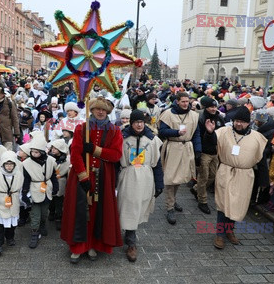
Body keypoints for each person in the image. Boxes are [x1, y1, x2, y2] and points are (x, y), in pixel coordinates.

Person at [61, 96, 123, 264]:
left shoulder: (115, 131)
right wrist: (83, 176)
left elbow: (116, 155)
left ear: (108, 111)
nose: (100, 112)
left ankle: (93, 244)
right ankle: (78, 247)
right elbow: (75, 153)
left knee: (97, 211)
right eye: (97, 109)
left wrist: (96, 150)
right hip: (82, 176)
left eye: (103, 109)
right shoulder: (82, 128)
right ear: (92, 110)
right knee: (80, 211)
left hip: (103, 176)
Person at [212, 106, 267, 249]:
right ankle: (220, 234)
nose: (238, 124)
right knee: (224, 204)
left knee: (237, 204)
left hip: (244, 175)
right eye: (236, 120)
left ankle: (230, 230)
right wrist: (208, 132)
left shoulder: (257, 137)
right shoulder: (223, 132)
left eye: (242, 121)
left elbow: (261, 160)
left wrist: (264, 180)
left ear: (248, 123)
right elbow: (210, 144)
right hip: (226, 171)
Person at [117, 110, 163, 262]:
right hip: (128, 175)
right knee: (127, 207)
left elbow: (157, 164)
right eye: (136, 122)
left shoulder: (152, 140)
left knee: (137, 209)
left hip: (145, 177)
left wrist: (159, 183)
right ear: (131, 123)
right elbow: (115, 161)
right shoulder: (122, 138)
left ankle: (131, 239)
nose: (139, 125)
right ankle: (129, 240)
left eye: (141, 122)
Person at [158, 92, 201, 225]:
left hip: (187, 148)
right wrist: (176, 132)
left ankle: (173, 200)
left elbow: (196, 134)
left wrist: (198, 149)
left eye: (187, 101)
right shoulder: (168, 114)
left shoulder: (193, 115)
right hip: (173, 147)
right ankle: (170, 207)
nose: (185, 104)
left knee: (180, 178)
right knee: (170, 178)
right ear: (177, 101)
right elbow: (162, 131)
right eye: (183, 101)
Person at [0, 151, 24, 256]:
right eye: (7, 164)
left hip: (14, 202)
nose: (9, 166)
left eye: (11, 164)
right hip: (1, 203)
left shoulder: (19, 175)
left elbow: (20, 189)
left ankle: (10, 238)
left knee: (12, 224)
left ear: (15, 164)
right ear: (3, 164)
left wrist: (22, 200)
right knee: (0, 226)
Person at [20, 136, 58, 249]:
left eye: (36, 152)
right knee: (35, 213)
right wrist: (24, 192)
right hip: (34, 188)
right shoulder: (26, 163)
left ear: (41, 152)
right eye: (32, 151)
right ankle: (34, 233)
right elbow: (26, 179)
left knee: (44, 212)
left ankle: (42, 225)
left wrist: (55, 187)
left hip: (47, 188)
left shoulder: (50, 161)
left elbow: (53, 176)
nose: (33, 153)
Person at [191, 96, 224, 214]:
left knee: (213, 176)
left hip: (215, 152)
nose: (214, 109)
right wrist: (197, 151)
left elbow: (223, 134)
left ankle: (196, 189)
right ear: (206, 107)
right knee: (203, 177)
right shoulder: (200, 118)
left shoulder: (219, 118)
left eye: (215, 106)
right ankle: (202, 201)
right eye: (211, 106)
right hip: (204, 151)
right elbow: (197, 136)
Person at [0, 84, 20, 151]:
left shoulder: (9, 103)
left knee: (7, 152)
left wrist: (17, 132)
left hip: (7, 132)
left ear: (3, 95)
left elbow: (15, 118)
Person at [47, 139, 70, 231]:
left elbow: (68, 172)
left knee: (59, 200)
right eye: (52, 148)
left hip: (61, 181)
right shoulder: (48, 159)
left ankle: (58, 217)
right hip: (51, 180)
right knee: (51, 198)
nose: (53, 150)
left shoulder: (66, 160)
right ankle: (51, 212)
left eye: (55, 148)